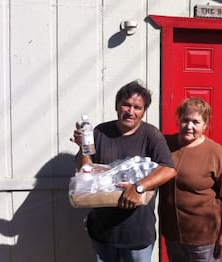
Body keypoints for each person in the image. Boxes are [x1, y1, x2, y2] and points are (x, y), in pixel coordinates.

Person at [70, 79, 177, 262]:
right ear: (117, 106)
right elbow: (85, 169)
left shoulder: (151, 135)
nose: (130, 111)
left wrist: (138, 187)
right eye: (126, 105)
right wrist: (83, 148)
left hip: (137, 232)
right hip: (103, 230)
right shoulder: (100, 132)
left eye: (137, 107)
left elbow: (168, 169)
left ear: (143, 111)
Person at [159, 97, 222, 262]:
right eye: (185, 120)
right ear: (178, 120)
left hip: (204, 242)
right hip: (173, 237)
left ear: (205, 125)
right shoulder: (165, 145)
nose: (189, 126)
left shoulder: (215, 153)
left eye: (196, 122)